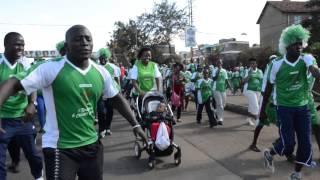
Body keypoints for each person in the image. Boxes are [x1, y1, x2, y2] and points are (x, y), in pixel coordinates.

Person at [0, 25, 147, 180]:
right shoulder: (50, 68)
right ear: (67, 46)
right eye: (78, 39)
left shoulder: (101, 72)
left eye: (88, 39)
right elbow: (12, 84)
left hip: (91, 146)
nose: (84, 43)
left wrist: (136, 124)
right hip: (60, 148)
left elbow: (116, 98)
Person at [260, 24, 320, 180]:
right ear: (287, 45)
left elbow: (316, 74)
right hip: (284, 108)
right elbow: (268, 89)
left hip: (303, 107)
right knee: (288, 143)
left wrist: (311, 65)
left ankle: (296, 173)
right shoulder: (276, 64)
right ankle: (269, 153)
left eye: (301, 43)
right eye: (296, 43)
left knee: (306, 143)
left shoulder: (306, 60)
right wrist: (262, 111)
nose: (299, 47)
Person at [0, 32, 43, 180]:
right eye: (17, 44)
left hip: (22, 119)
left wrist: (32, 103)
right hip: (3, 120)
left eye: (22, 45)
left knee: (33, 155)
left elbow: (33, 86)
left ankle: (38, 176)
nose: (21, 48)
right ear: (5, 45)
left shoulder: (25, 64)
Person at [249, 55, 278, 152]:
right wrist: (266, 103)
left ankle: (281, 144)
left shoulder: (271, 70)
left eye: (275, 59)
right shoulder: (268, 71)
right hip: (267, 100)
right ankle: (253, 144)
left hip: (275, 101)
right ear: (269, 62)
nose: (274, 61)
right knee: (261, 121)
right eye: (272, 60)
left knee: (283, 124)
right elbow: (264, 90)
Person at [97, 47, 120, 137]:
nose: (103, 59)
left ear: (107, 58)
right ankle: (101, 130)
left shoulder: (113, 67)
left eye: (104, 57)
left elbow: (117, 79)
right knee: (101, 112)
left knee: (110, 111)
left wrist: (119, 90)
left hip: (111, 93)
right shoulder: (96, 67)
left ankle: (108, 128)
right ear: (99, 58)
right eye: (101, 58)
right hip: (100, 93)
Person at [243, 58, 263, 126]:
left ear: (256, 64)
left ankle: (248, 118)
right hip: (249, 90)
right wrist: (249, 74)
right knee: (256, 107)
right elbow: (244, 81)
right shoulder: (247, 71)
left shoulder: (260, 71)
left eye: (254, 63)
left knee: (252, 106)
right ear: (249, 64)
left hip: (258, 91)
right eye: (251, 63)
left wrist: (262, 90)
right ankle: (258, 124)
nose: (252, 65)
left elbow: (262, 81)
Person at [212, 59, 231, 125]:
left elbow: (226, 80)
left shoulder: (224, 71)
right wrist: (218, 71)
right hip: (216, 89)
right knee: (220, 104)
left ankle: (215, 111)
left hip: (223, 89)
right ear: (216, 64)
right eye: (218, 63)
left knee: (223, 104)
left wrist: (230, 87)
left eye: (220, 62)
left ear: (222, 63)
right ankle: (220, 119)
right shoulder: (214, 70)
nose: (219, 64)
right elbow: (214, 78)